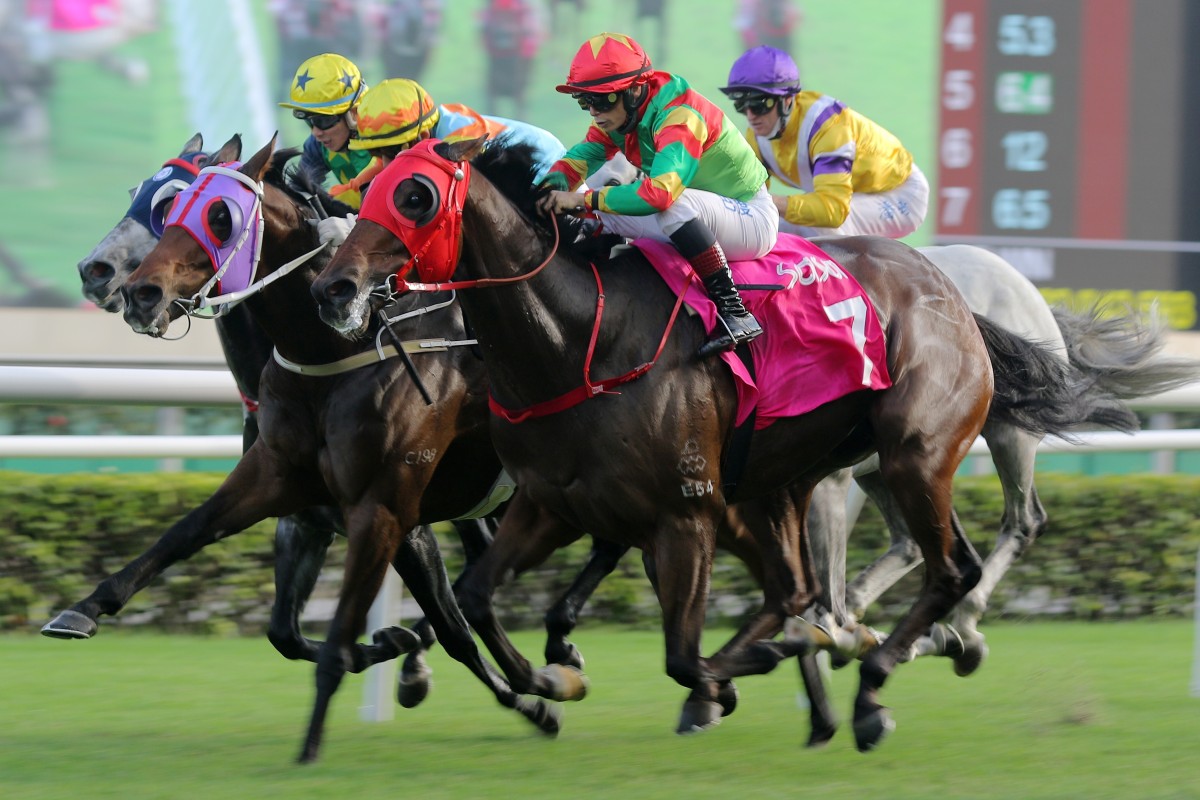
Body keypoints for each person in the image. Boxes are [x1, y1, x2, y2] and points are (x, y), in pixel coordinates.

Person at [536, 32, 777, 358]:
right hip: (701, 214)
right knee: (598, 196)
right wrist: (553, 185)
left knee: (660, 204)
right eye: (584, 101)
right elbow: (581, 156)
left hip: (751, 216)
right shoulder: (620, 117)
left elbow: (662, 194)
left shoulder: (680, 115)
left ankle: (735, 312)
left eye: (602, 100)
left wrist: (584, 200)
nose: (593, 111)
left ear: (636, 90)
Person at [315, 77, 567, 248]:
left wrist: (356, 233)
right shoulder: (424, 135)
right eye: (376, 152)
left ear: (423, 136)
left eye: (389, 151)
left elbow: (433, 222)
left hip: (555, 182)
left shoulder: (460, 146)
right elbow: (380, 183)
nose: (385, 162)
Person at [719, 45, 928, 239]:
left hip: (899, 193)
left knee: (821, 229)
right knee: (767, 226)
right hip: (850, 195)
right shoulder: (755, 137)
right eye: (741, 106)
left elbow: (833, 210)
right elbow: (748, 200)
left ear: (787, 100)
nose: (750, 116)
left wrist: (770, 203)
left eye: (759, 105)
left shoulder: (828, 127)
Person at [278, 52, 375, 211]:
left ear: (354, 113)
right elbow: (301, 194)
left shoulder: (389, 139)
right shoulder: (316, 146)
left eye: (323, 121)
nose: (316, 133)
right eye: (310, 121)